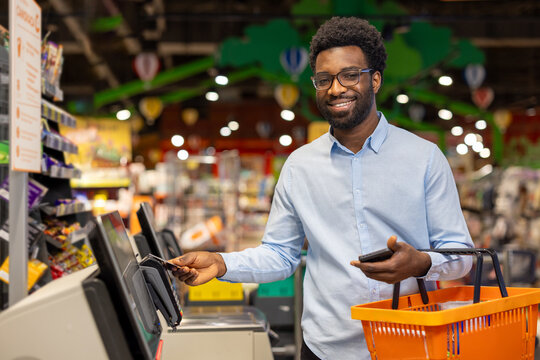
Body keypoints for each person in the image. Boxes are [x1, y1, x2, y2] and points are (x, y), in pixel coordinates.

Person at [171, 16, 473, 360]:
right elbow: (281, 254)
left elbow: (460, 255)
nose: (336, 88)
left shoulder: (424, 158)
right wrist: (221, 263)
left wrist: (420, 263)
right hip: (327, 348)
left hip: (411, 343)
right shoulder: (299, 167)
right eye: (324, 79)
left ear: (374, 79)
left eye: (349, 75)